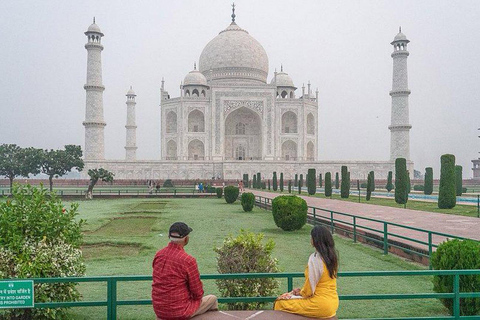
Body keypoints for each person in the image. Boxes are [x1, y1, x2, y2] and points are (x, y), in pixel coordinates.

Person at [152, 222, 218, 320]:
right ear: (186, 239)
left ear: (169, 236)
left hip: (159, 310)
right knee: (212, 299)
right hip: (180, 311)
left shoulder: (159, 255)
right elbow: (197, 292)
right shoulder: (188, 260)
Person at [274, 225, 339, 319]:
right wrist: (300, 291)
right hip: (333, 303)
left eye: (311, 237)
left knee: (280, 303)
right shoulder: (332, 258)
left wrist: (298, 293)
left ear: (315, 240)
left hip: (320, 305)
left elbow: (309, 290)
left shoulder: (316, 259)